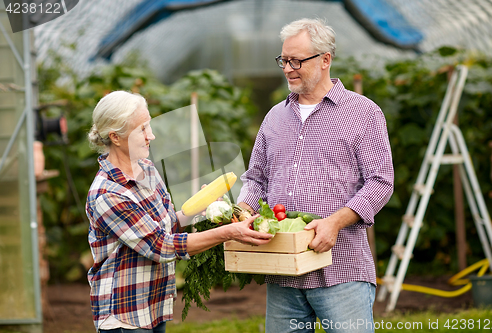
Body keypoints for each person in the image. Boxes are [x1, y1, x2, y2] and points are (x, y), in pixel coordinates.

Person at [237, 18, 394, 333]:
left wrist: (334, 222)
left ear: (326, 60)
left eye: (297, 60)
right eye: (284, 60)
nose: (288, 68)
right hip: (282, 269)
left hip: (342, 270)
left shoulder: (363, 113)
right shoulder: (275, 117)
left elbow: (380, 182)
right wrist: (243, 211)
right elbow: (256, 179)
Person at [85, 90, 272, 332]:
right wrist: (229, 232)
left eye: (149, 126)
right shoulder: (108, 194)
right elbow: (161, 246)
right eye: (141, 129)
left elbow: (168, 226)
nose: (150, 135)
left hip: (153, 305)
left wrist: (199, 208)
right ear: (116, 137)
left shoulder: (147, 169)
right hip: (124, 315)